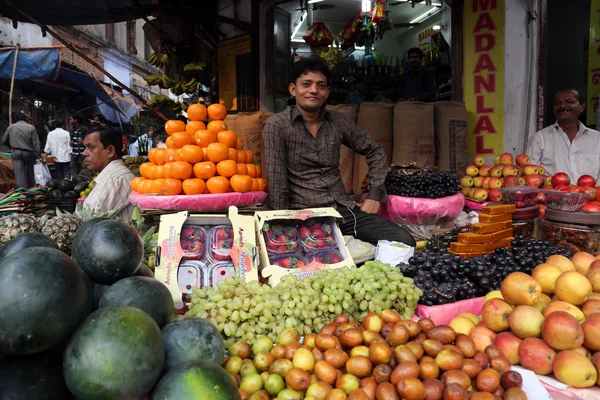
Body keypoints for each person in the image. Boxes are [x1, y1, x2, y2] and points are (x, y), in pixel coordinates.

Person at [262, 58, 416, 247]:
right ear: (293, 89)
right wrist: (279, 226)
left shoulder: (338, 121)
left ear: (327, 93)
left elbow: (375, 152)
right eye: (306, 84)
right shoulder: (277, 125)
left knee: (404, 241)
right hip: (303, 215)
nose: (313, 90)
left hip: (342, 212)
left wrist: (375, 194)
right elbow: (277, 179)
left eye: (321, 85)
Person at [527, 88, 600, 182]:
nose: (562, 105)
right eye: (557, 103)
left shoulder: (597, 139)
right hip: (553, 196)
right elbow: (531, 176)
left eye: (569, 101)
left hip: (593, 195)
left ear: (582, 107)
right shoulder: (540, 138)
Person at [82, 126, 135, 221]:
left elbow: (89, 221)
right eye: (85, 148)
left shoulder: (114, 179)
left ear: (110, 151)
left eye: (91, 147)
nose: (84, 153)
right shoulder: (113, 176)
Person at [1, 112, 41, 188]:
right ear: (26, 119)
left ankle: (22, 192)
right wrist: (38, 155)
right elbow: (36, 144)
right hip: (28, 152)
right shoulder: (31, 127)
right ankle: (33, 190)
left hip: (16, 152)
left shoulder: (11, 127)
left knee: (19, 175)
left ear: (16, 119)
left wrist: (11, 147)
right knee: (31, 173)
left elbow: (3, 141)